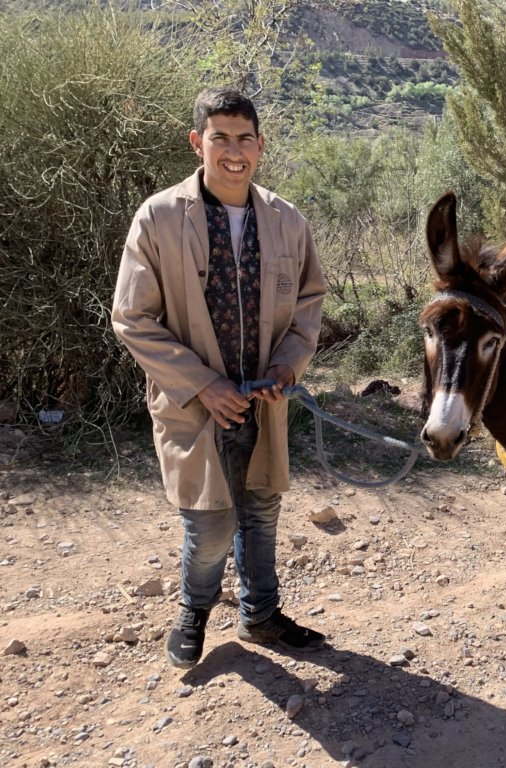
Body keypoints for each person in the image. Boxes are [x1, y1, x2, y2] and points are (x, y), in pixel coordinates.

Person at [112, 87, 326, 668]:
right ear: (197, 143)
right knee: (209, 522)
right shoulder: (158, 217)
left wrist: (288, 363)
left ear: (260, 145)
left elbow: (309, 303)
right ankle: (193, 611)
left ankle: (260, 615)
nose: (234, 151)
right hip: (193, 404)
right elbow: (132, 317)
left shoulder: (286, 219)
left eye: (244, 139)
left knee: (260, 507)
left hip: (264, 399)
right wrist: (203, 383)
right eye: (220, 137)